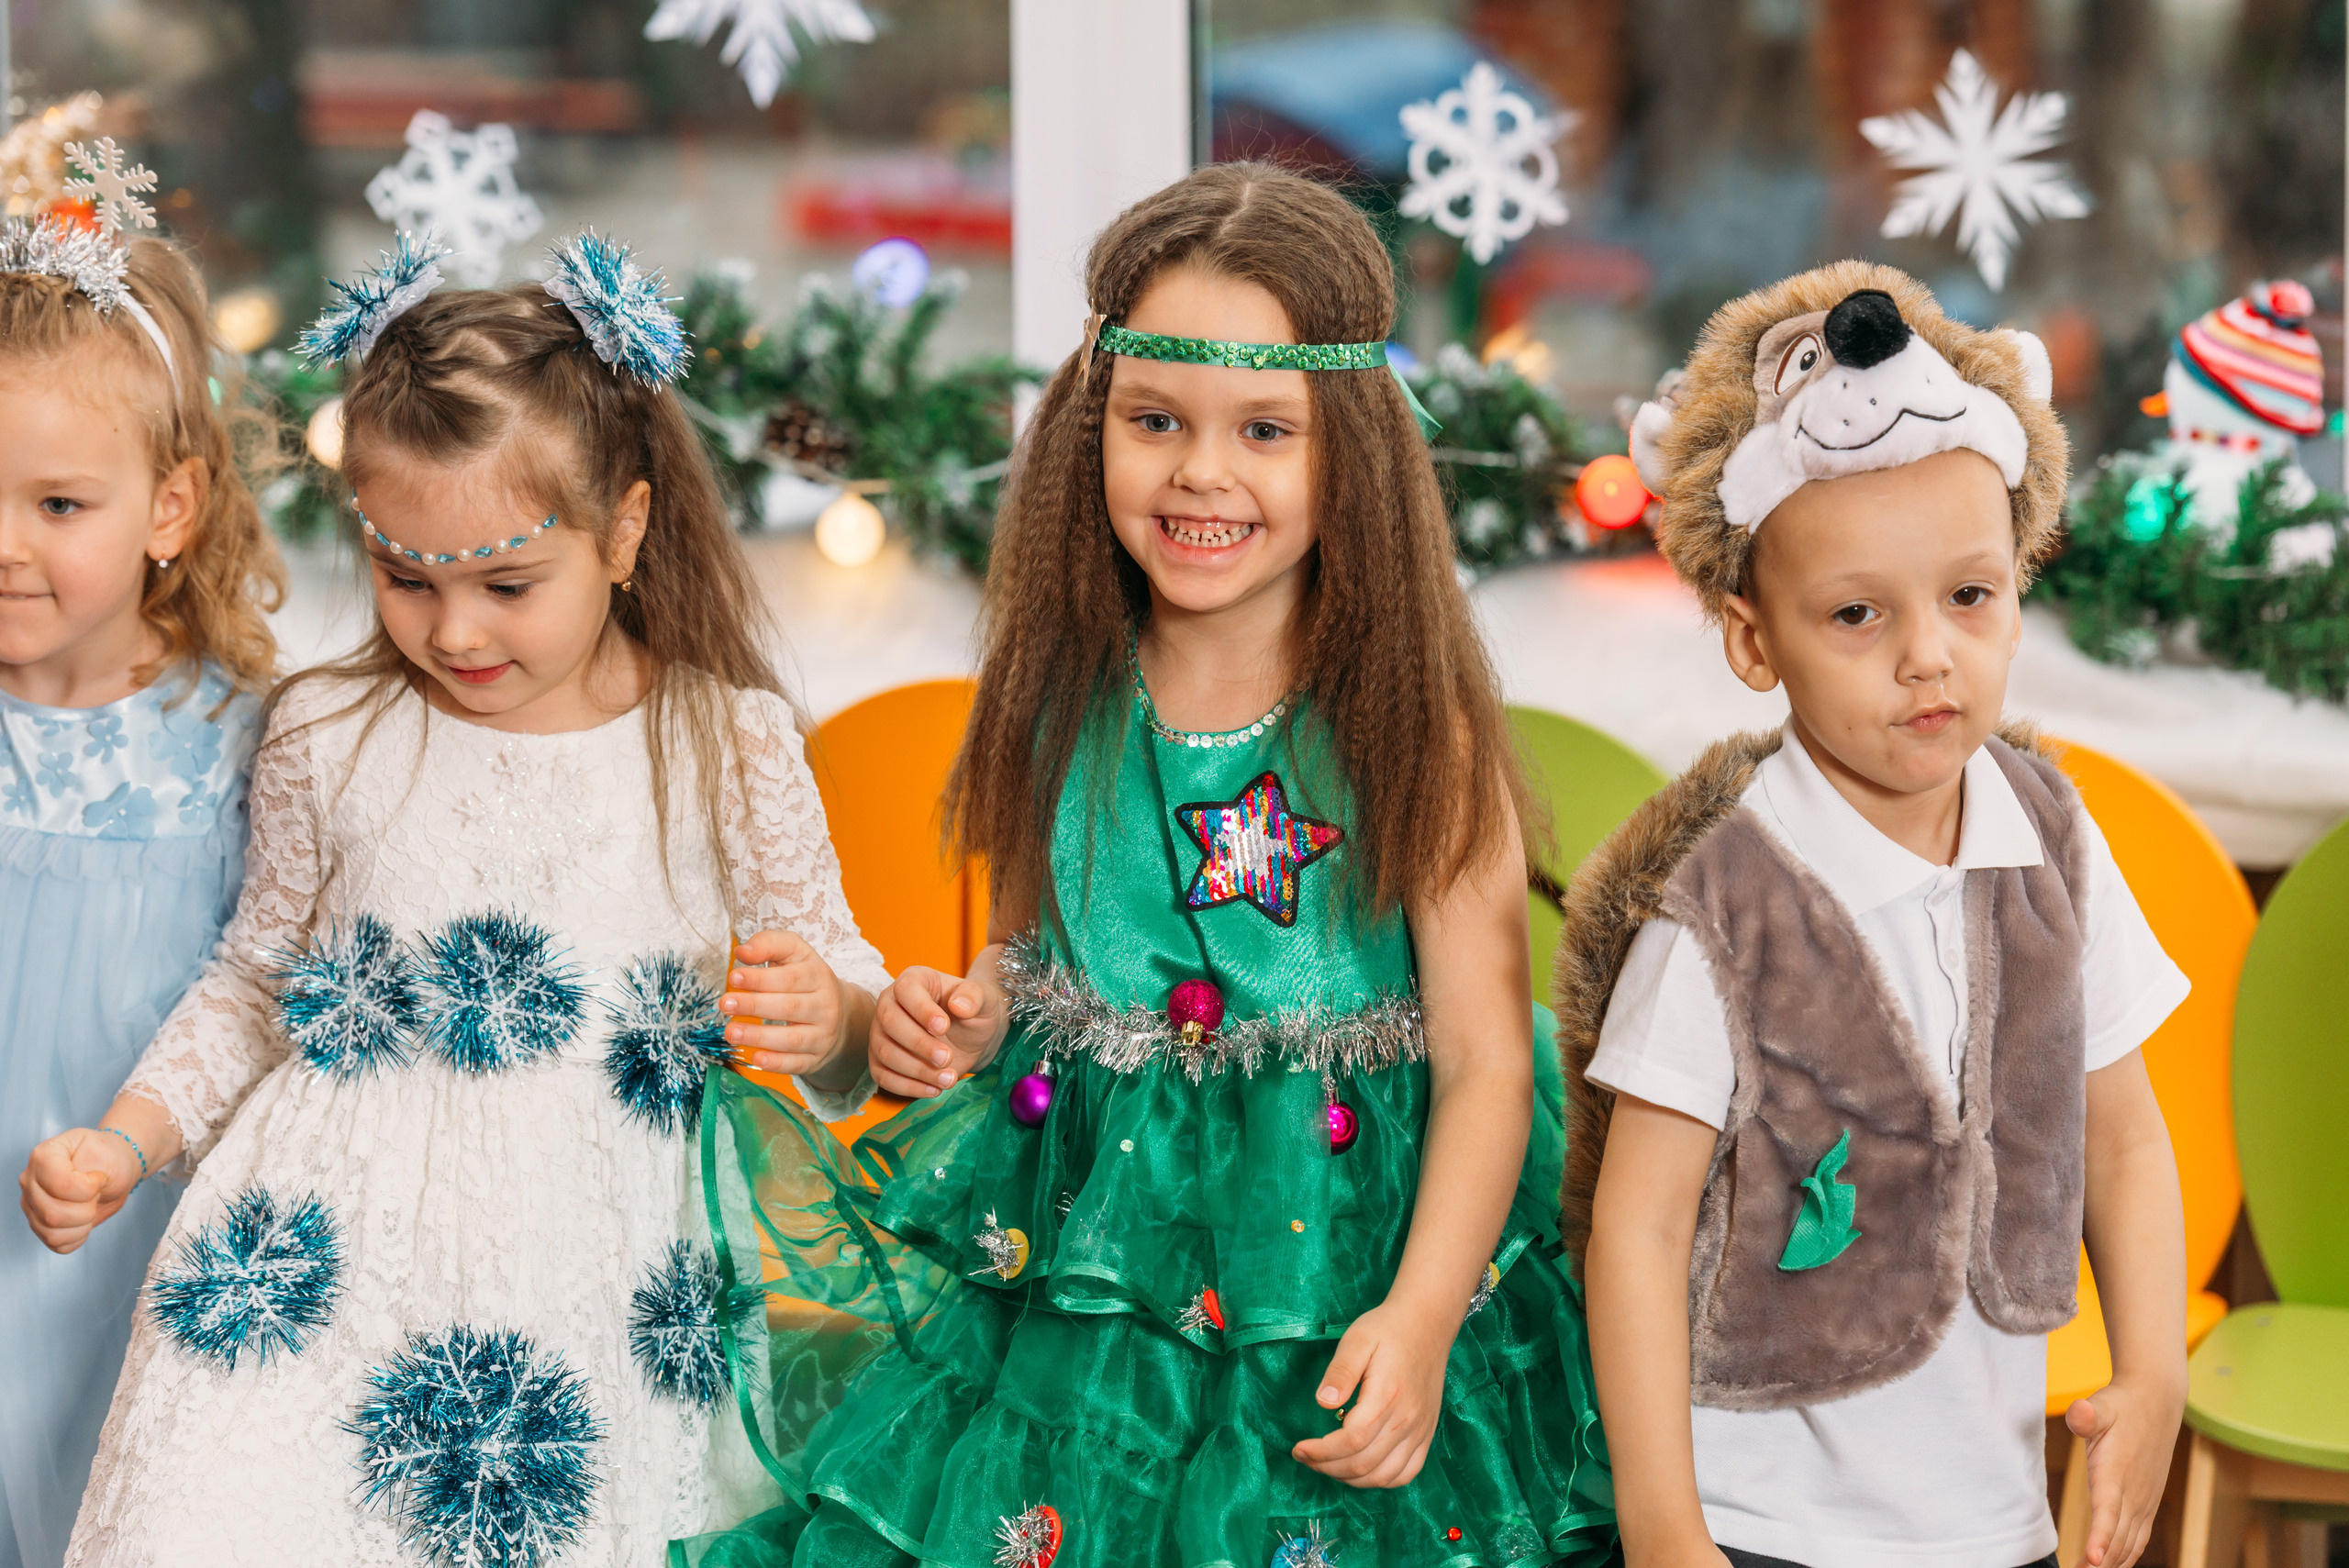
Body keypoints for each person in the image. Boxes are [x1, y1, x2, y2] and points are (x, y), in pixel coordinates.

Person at [674, 162, 1617, 1568]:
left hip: (1349, 1264)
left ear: (1349, 450)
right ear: (1087, 426)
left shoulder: (1415, 730)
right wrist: (974, 1010)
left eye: (1264, 431)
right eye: (1156, 420)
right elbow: (1033, 956)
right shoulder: (1062, 698)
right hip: (1096, 1274)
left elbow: (1485, 1064)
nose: (1201, 473)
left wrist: (1422, 1319)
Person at [22, 231, 891, 1566]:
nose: (457, 631)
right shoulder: (328, 731)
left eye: (507, 582)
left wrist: (826, 1011)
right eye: (406, 579)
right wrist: (129, 1140)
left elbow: (842, 1006)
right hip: (317, 1281)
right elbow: (256, 981)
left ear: (627, 530)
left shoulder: (730, 744)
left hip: (591, 1287)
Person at [1564, 264, 2191, 1568]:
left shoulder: (2056, 846)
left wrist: (2154, 1369)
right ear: (1755, 640)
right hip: (1765, 1523)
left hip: (1992, 1520)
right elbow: (1635, 1227)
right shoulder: (1726, 907)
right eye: (1858, 614)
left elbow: (2124, 1139)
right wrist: (1665, 1529)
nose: (1928, 654)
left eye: (1970, 595)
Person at [1, 205, 285, 1568]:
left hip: (136, 1236)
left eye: (57, 505)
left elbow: (263, 993)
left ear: (169, 506)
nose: (6, 543)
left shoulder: (241, 744)